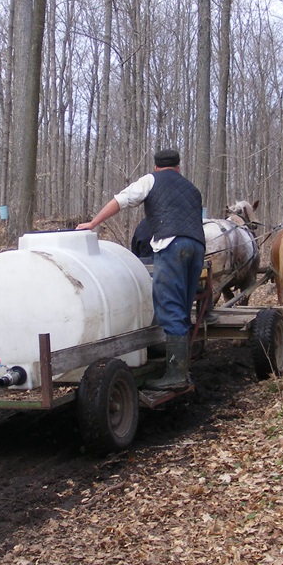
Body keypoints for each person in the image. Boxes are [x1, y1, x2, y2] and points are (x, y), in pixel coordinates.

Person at [77, 148, 205, 390]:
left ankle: (176, 376)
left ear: (156, 167)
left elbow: (120, 200)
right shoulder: (191, 188)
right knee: (184, 306)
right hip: (197, 246)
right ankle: (182, 370)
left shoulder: (151, 180)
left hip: (171, 245)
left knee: (169, 306)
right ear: (178, 167)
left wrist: (94, 223)